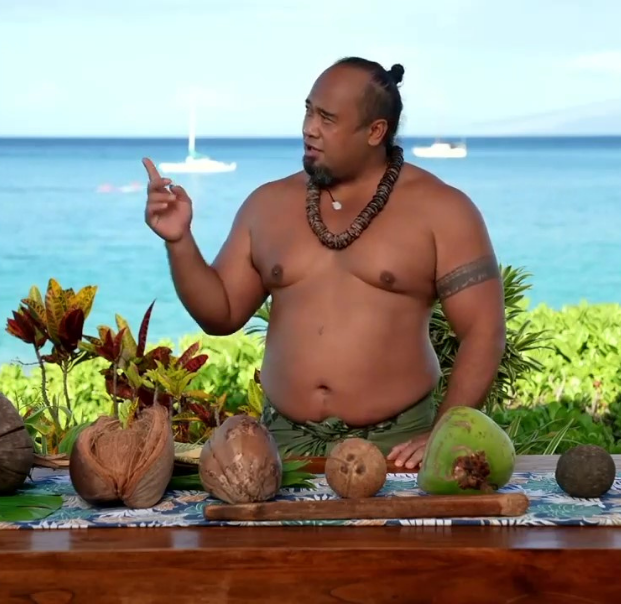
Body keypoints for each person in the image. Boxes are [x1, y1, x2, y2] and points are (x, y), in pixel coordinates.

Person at [142, 57, 506, 469]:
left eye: (328, 118)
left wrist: (444, 433)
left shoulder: (443, 210)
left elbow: (483, 331)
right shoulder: (268, 205)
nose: (309, 128)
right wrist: (179, 240)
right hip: (282, 450)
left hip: (397, 449)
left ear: (375, 131)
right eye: (308, 110)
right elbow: (220, 314)